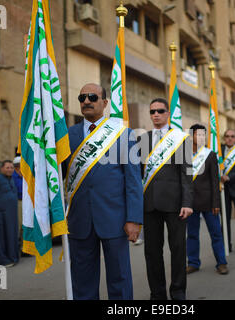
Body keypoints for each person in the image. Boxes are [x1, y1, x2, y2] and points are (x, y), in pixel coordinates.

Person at [63, 83, 142, 300]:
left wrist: (134, 218)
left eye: (92, 97)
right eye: (82, 98)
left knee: (120, 279)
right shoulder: (68, 135)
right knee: (82, 281)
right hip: (80, 221)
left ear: (105, 103)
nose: (86, 101)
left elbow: (133, 180)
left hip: (115, 220)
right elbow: (57, 172)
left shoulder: (123, 134)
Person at [139, 98, 193, 300]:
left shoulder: (180, 138)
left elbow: (186, 175)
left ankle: (178, 292)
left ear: (168, 113)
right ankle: (157, 294)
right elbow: (138, 174)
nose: (156, 114)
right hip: (149, 204)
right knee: (152, 253)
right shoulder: (143, 140)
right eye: (152, 111)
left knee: (178, 250)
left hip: (175, 205)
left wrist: (187, 203)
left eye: (160, 111)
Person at [186, 124, 228, 275]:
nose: (202, 137)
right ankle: (193, 262)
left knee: (216, 233)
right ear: (191, 136)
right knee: (191, 234)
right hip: (189, 203)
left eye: (204, 135)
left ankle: (221, 263)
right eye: (199, 134)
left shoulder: (210, 154)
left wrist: (216, 203)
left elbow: (214, 181)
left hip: (209, 202)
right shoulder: (183, 155)